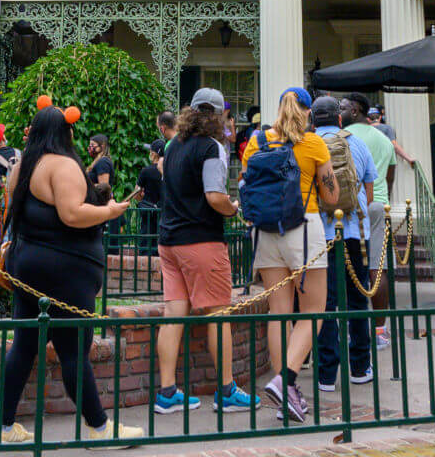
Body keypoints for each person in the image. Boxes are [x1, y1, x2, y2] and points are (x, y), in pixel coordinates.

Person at [0, 105, 142, 444]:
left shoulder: (22, 167)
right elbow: (72, 214)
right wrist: (110, 210)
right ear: (65, 132)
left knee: (25, 346)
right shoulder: (62, 165)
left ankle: (2, 428)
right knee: (74, 348)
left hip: (27, 265)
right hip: (63, 272)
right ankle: (100, 427)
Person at [153, 89, 257, 415]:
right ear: (216, 115)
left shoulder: (172, 148)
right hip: (200, 241)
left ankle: (167, 392)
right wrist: (232, 207)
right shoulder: (212, 147)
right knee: (218, 314)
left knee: (173, 316)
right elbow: (214, 196)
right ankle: (226, 390)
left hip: (169, 242)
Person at [238, 87, 338, 424]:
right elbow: (332, 194)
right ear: (308, 112)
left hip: (266, 230)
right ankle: (287, 380)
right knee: (313, 310)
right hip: (304, 228)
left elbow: (246, 178)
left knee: (279, 313)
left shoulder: (257, 141)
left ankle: (287, 394)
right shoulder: (312, 143)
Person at [312, 97, 376, 392]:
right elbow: (369, 190)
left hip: (320, 236)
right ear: (339, 119)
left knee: (324, 303)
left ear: (313, 120)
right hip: (354, 232)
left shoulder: (308, 145)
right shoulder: (357, 143)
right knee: (357, 299)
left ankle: (326, 374)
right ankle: (361, 368)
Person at [344, 98, 398, 348]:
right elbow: (389, 178)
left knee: (347, 267)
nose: (340, 112)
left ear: (355, 110)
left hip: (348, 207)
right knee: (378, 266)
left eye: (343, 107)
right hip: (378, 205)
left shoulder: (343, 136)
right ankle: (379, 331)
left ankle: (350, 326)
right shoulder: (384, 139)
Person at [137, 142, 164, 210]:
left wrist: (143, 199)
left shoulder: (146, 171)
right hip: (164, 214)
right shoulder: (168, 171)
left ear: (153, 154)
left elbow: (136, 194)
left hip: (148, 213)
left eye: (150, 151)